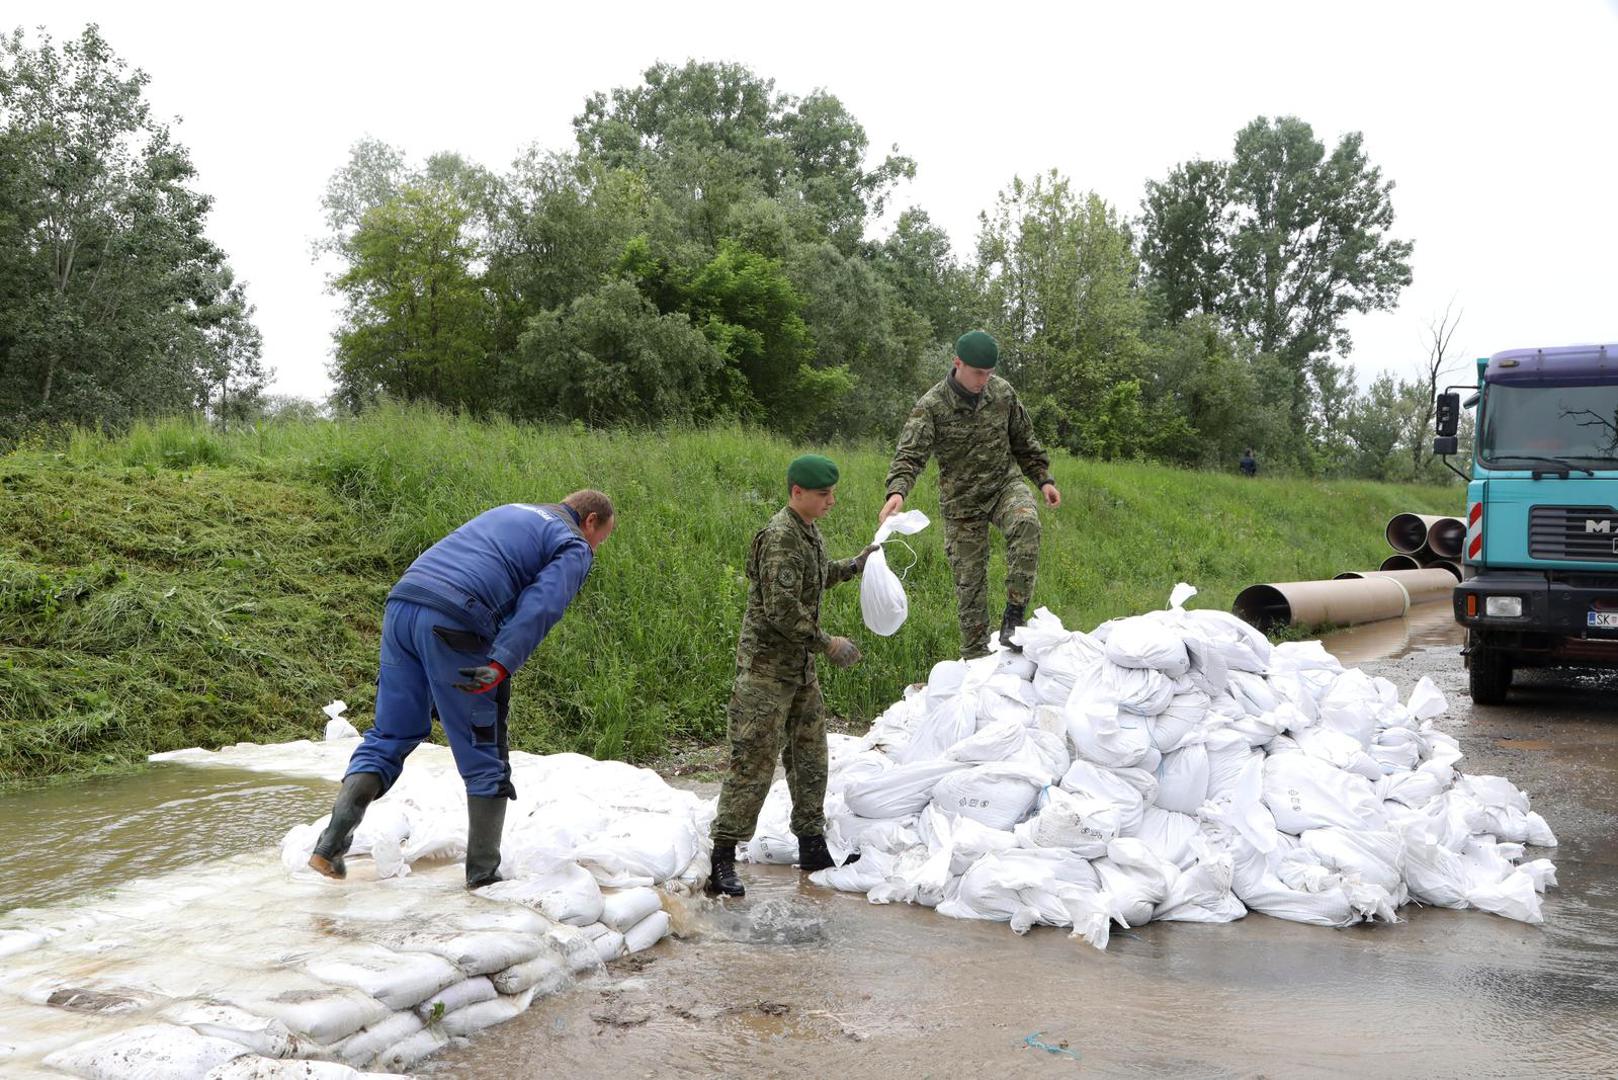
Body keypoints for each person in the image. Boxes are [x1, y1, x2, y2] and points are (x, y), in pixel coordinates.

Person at [308, 491, 616, 888]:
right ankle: (483, 876)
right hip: (455, 621)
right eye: (600, 539)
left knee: (389, 735)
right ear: (590, 520)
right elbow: (543, 605)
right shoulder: (572, 542)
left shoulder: (511, 510)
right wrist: (501, 663)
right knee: (484, 756)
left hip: (403, 604)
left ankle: (330, 847)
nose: (595, 548)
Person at [707, 455, 877, 898]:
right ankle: (722, 857)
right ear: (797, 492)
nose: (831, 501)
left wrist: (855, 565)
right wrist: (829, 644)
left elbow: (815, 577)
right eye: (824, 494)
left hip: (799, 673)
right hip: (766, 672)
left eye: (832, 493)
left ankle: (812, 845)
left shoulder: (806, 532)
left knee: (809, 760)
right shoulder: (780, 536)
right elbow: (782, 610)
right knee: (754, 761)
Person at [879, 330, 1060, 659]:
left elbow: (1024, 441)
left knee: (1027, 524)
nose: (984, 380)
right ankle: (976, 662)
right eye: (978, 373)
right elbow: (909, 456)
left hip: (1004, 486)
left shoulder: (1002, 392)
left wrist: (1044, 480)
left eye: (989, 373)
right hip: (962, 503)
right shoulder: (932, 406)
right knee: (970, 586)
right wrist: (897, 492)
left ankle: (1014, 620)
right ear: (957, 363)